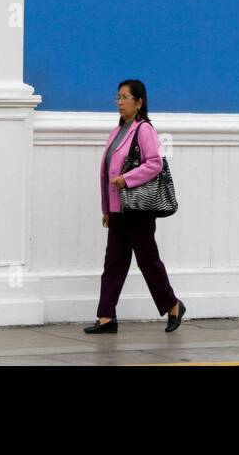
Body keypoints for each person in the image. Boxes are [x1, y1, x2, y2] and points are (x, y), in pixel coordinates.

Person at [83, 79, 185, 334]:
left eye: (125, 97)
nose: (119, 102)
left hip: (137, 210)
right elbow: (106, 173)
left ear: (139, 102)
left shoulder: (144, 130)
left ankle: (172, 305)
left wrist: (127, 180)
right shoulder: (116, 132)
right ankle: (106, 317)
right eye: (117, 97)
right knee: (113, 264)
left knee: (148, 261)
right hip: (119, 211)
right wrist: (106, 209)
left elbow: (155, 164)